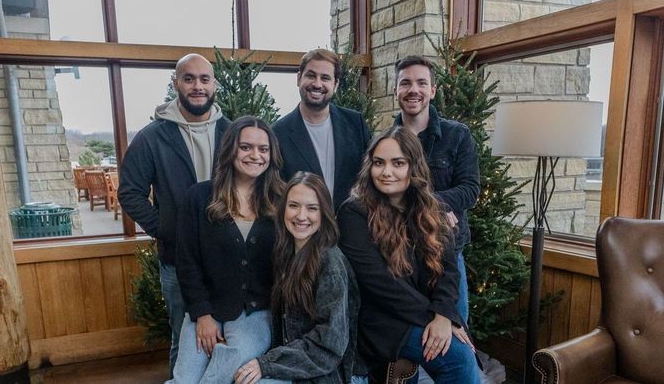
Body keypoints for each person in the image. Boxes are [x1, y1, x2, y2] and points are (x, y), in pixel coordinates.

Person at [337, 126, 479, 383]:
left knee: (462, 355)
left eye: (398, 163)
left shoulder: (432, 208)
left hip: (424, 312)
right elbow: (379, 283)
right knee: (457, 357)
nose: (386, 172)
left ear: (413, 167)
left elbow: (449, 268)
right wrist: (434, 318)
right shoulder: (354, 212)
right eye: (379, 163)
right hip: (383, 320)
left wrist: (445, 315)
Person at [118, 53, 230, 377]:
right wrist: (167, 229)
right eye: (189, 78)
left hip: (226, 257)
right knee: (184, 341)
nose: (197, 86)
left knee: (228, 338)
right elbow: (129, 193)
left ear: (215, 85)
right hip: (177, 261)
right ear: (175, 83)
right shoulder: (153, 137)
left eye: (204, 79)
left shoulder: (232, 132)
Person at [170, 116, 285, 383]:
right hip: (207, 308)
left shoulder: (281, 200)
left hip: (257, 313)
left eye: (263, 149)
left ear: (272, 154)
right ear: (230, 149)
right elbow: (187, 262)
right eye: (246, 147)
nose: (255, 155)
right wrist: (202, 315)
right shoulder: (199, 197)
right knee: (184, 379)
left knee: (219, 376)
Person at [233, 171, 359, 384]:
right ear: (283, 210)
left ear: (324, 213)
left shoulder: (330, 264)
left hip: (321, 375)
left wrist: (267, 364)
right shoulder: (286, 253)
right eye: (294, 206)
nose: (301, 216)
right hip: (292, 363)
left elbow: (329, 344)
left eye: (312, 208)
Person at [393, 55, 481, 326]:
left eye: (421, 83)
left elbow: (470, 190)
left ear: (432, 90)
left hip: (446, 252)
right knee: (410, 331)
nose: (413, 90)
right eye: (405, 83)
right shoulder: (384, 140)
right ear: (396, 90)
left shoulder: (458, 135)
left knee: (455, 329)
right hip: (401, 253)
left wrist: (432, 203)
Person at [273, 48, 372, 210]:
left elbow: (369, 174)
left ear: (336, 84)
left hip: (352, 227)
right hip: (304, 229)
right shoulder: (278, 133)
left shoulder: (355, 123)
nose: (317, 84)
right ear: (299, 78)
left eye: (325, 78)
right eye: (311, 75)